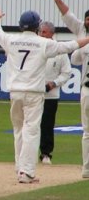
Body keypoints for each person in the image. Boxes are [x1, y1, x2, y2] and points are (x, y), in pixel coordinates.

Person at [0, 7, 89, 183]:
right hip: (34, 93)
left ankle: (19, 167)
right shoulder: (43, 43)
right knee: (32, 131)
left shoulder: (11, 40)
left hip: (15, 92)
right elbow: (68, 46)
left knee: (19, 130)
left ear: (21, 25)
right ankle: (26, 172)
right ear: (37, 26)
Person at [48, 0, 89, 178]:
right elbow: (67, 15)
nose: (88, 22)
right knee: (87, 131)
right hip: (87, 88)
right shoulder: (81, 30)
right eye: (87, 19)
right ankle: (87, 169)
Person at [38, 21, 72, 164]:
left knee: (47, 124)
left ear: (52, 33)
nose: (42, 34)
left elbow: (66, 73)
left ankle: (46, 153)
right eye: (40, 32)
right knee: (29, 124)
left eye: (44, 32)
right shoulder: (36, 46)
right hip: (33, 92)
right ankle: (25, 153)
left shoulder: (59, 51)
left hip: (51, 95)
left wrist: (54, 83)